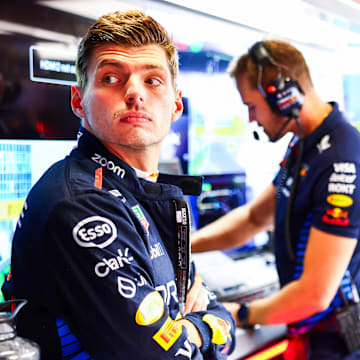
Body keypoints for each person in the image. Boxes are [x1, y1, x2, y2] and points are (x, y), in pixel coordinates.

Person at [2, 10, 235, 360]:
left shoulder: (141, 191)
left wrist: (193, 327)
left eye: (153, 80)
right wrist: (197, 327)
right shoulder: (79, 203)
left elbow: (217, 314)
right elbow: (166, 356)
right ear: (78, 100)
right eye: (111, 78)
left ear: (175, 105)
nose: (134, 93)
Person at [191, 39, 360, 359]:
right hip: (309, 331)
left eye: (251, 106)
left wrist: (240, 314)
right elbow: (255, 218)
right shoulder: (305, 145)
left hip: (334, 340)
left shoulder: (340, 154)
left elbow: (315, 294)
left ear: (283, 94)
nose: (252, 119)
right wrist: (183, 246)